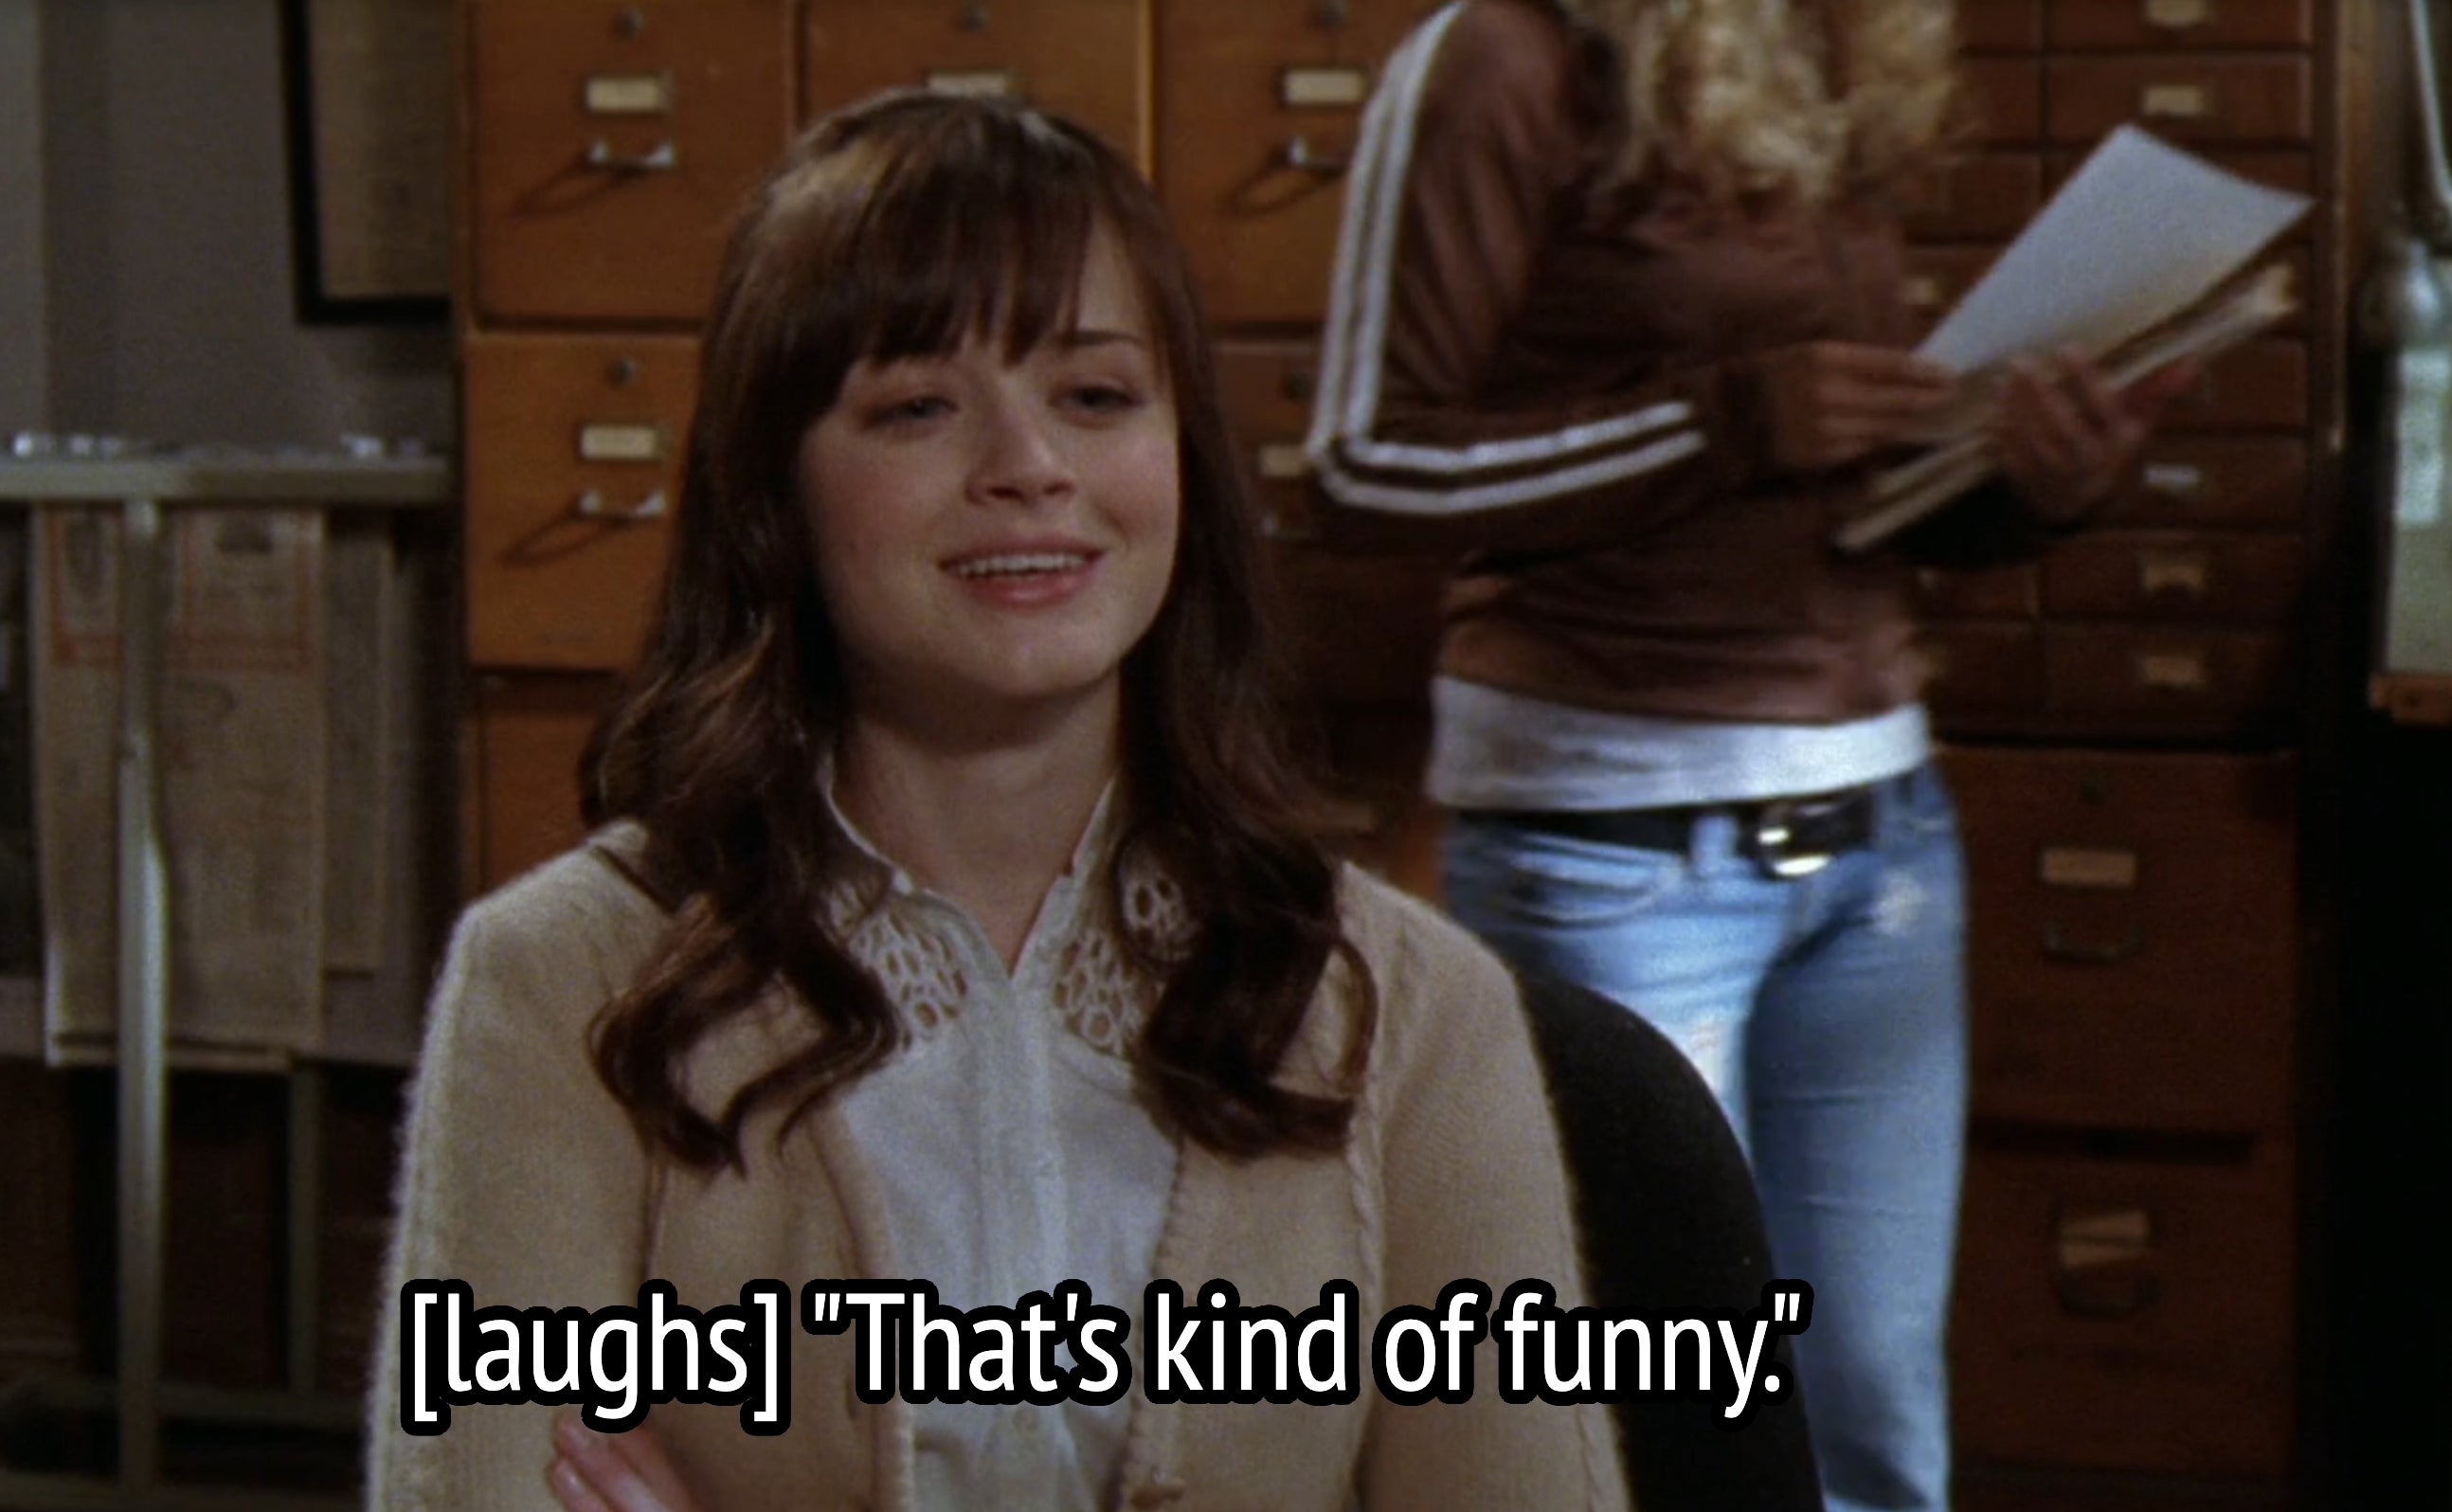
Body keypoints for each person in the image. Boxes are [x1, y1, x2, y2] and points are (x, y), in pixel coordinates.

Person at [368, 89, 1628, 1512]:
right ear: (775, 490)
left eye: (1096, 397)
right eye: (917, 407)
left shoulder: (1416, 1011)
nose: (1029, 468)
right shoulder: (559, 984)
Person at [1305, 4, 2197, 1511]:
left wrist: (2031, 483)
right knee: (1655, 1422)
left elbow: (1830, 497)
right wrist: (1723, 419)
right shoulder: (1505, 54)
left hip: (1879, 834)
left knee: (1868, 1421)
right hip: (1614, 847)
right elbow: (1364, 467)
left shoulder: (1829, 42)